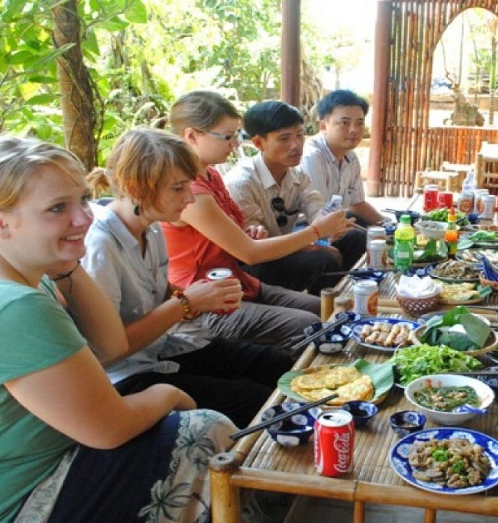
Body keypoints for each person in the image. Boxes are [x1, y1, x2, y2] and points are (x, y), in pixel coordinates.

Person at [0, 134, 237, 523]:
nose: (84, 218)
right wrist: (170, 393)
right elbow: (109, 427)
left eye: (83, 200)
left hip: (21, 481)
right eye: (57, 209)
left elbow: (106, 343)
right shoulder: (12, 307)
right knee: (202, 430)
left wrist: (66, 266)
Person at [84, 127, 294, 428]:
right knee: (255, 400)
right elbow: (104, 351)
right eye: (178, 188)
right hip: (126, 376)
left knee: (276, 364)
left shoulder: (151, 225)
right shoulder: (100, 246)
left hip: (162, 347)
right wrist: (185, 303)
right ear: (136, 186)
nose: (190, 199)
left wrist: (203, 297)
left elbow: (154, 294)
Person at [158, 91, 350, 346]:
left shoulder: (211, 175)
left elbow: (237, 243)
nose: (236, 144)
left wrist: (249, 232)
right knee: (309, 324)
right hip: (205, 300)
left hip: (235, 282)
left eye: (236, 136)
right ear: (192, 136)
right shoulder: (188, 191)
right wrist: (316, 231)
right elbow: (250, 254)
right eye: (227, 137)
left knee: (330, 309)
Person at [225, 100, 365, 293]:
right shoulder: (241, 183)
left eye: (299, 135)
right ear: (259, 143)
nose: (296, 145)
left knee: (355, 237)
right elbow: (256, 246)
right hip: (254, 264)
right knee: (323, 259)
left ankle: (339, 298)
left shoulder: (296, 174)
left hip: (287, 247)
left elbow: (316, 208)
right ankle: (324, 307)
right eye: (284, 138)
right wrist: (312, 244)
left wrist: (331, 227)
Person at [300, 89, 388, 228]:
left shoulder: (350, 157)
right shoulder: (312, 156)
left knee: (374, 228)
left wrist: (390, 225)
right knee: (359, 237)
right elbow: (319, 213)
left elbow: (357, 204)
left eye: (359, 123)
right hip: (304, 226)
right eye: (344, 123)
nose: (354, 130)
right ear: (323, 126)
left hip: (330, 220)